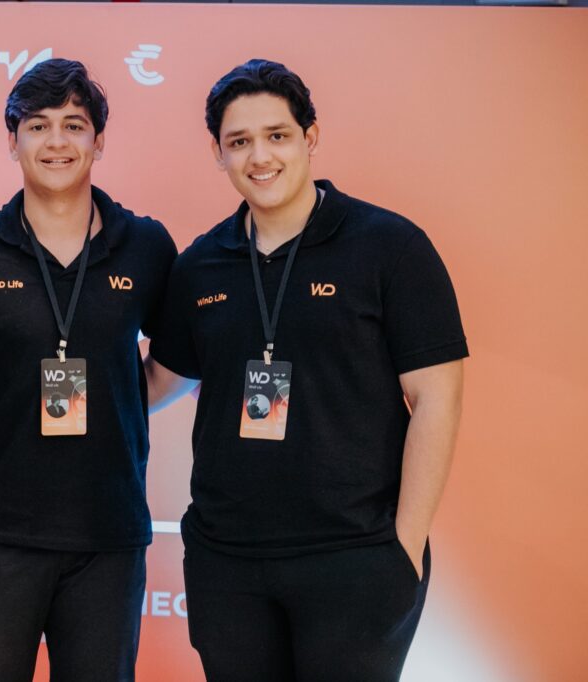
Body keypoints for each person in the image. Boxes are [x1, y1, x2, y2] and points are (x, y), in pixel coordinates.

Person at [145, 59, 468, 681]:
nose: (260, 157)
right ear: (218, 153)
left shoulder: (390, 247)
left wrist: (404, 545)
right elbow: (163, 380)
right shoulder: (200, 265)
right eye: (240, 141)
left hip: (355, 556)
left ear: (310, 136)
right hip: (227, 560)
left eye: (277, 135)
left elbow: (437, 397)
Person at [0, 58, 177, 682]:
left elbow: (177, 363)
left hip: (108, 537)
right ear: (12, 142)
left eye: (74, 125)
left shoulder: (147, 246)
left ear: (99, 140)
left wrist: (121, 400)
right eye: (37, 126)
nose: (56, 141)